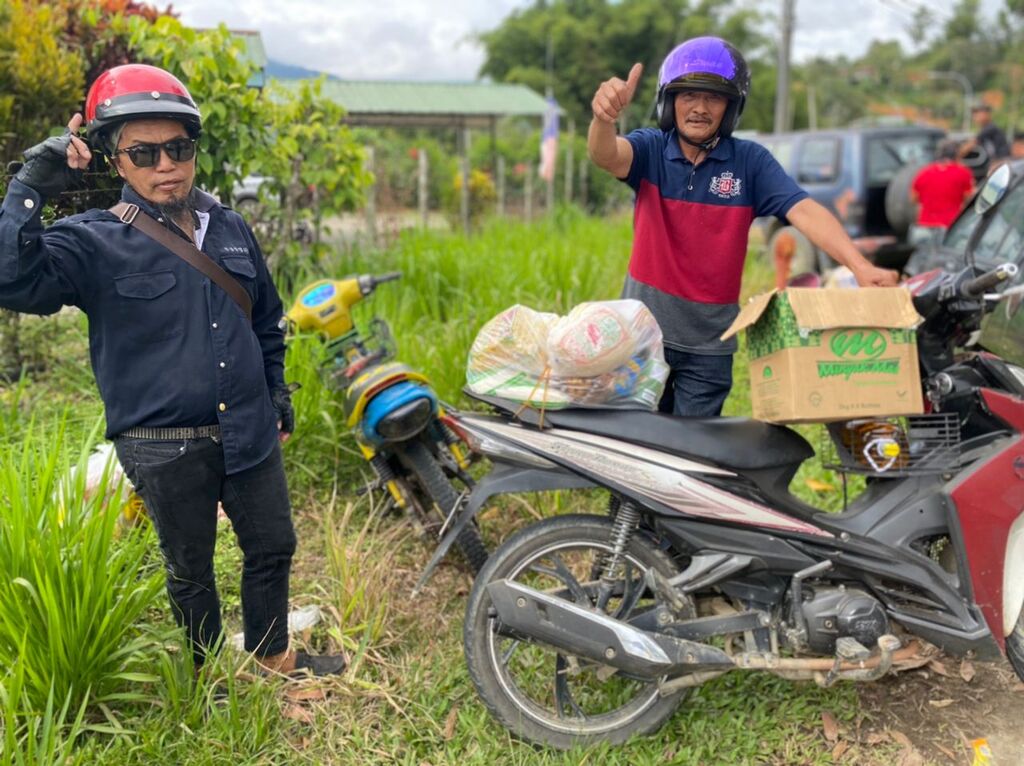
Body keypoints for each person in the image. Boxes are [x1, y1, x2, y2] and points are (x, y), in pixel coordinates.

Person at [0, 64, 344, 678]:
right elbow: (10, 279)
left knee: (272, 546)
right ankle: (209, 681)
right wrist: (31, 187)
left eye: (178, 147)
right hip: (163, 445)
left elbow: (265, 319)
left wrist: (276, 396)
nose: (166, 164)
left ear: (192, 150)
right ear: (117, 160)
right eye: (145, 151)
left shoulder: (232, 230)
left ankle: (273, 659)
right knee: (192, 569)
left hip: (249, 431)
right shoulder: (92, 241)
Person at [588, 36, 898, 417]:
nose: (700, 108)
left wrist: (859, 265)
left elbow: (804, 210)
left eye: (714, 98)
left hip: (708, 348)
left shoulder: (750, 162)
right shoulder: (651, 149)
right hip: (642, 339)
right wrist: (603, 120)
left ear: (731, 108)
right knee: (635, 449)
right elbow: (606, 155)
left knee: (693, 456)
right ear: (669, 103)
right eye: (688, 96)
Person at [908, 139, 974, 249]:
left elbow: (913, 199)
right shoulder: (963, 172)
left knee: (925, 261)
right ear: (957, 155)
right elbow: (970, 199)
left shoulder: (924, 172)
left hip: (925, 227)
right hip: (950, 227)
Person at [960, 103, 1009, 176]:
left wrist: (956, 157)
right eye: (974, 114)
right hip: (995, 164)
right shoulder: (985, 129)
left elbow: (969, 146)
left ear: (987, 114)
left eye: (978, 113)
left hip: (1000, 163)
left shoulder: (990, 128)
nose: (975, 116)